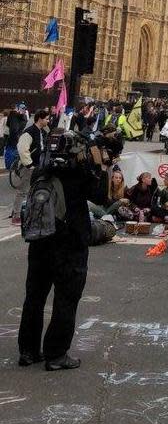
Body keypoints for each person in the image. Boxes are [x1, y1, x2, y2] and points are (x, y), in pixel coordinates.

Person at [18, 132, 99, 371]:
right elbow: (100, 193)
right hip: (69, 245)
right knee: (66, 299)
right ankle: (56, 354)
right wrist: (96, 161)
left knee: (34, 298)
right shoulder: (79, 174)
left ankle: (28, 351)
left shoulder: (41, 172)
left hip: (40, 242)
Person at [11, 109, 50, 225]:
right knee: (22, 191)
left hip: (36, 166)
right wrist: (29, 165)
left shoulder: (41, 131)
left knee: (33, 191)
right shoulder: (29, 132)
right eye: (47, 119)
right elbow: (23, 149)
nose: (48, 121)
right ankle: (16, 216)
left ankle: (28, 213)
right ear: (40, 119)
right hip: (28, 167)